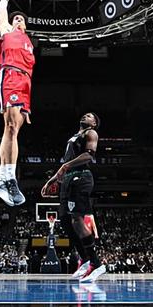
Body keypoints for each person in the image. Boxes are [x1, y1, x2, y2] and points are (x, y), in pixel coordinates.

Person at [41, 112, 105, 283]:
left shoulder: (90, 133)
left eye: (90, 116)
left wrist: (66, 166)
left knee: (77, 219)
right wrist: (51, 180)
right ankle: (85, 259)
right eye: (85, 114)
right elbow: (65, 165)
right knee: (65, 220)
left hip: (81, 176)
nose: (86, 116)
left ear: (94, 123)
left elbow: (89, 155)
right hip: (68, 179)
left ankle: (96, 263)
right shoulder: (74, 137)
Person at [0, 0, 35, 207]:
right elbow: (1, 13)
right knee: (11, 127)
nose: (17, 20)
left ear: (25, 25)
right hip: (10, 75)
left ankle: (2, 177)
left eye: (20, 19)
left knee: (13, 131)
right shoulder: (6, 31)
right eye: (15, 18)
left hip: (25, 82)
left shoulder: (28, 41)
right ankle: (8, 177)